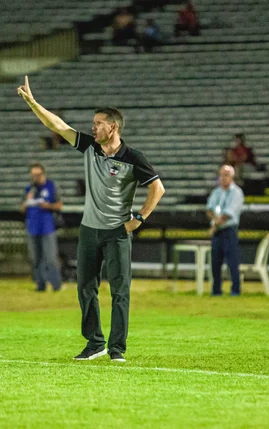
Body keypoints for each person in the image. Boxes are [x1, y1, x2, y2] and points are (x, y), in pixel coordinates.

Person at [17, 76, 165, 362]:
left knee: (120, 292)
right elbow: (56, 125)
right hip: (89, 231)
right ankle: (95, 343)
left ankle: (117, 349)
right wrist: (34, 104)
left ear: (113, 126)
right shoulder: (89, 147)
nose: (93, 127)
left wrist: (140, 219)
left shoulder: (134, 157)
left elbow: (158, 188)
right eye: (93, 123)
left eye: (98, 123)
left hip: (117, 232)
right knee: (85, 288)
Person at [20, 162, 64, 292]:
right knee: (35, 258)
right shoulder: (29, 189)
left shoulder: (51, 186)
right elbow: (21, 209)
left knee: (50, 257)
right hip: (32, 227)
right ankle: (40, 284)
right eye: (33, 175)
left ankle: (56, 285)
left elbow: (59, 205)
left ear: (43, 174)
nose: (35, 178)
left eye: (38, 175)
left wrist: (48, 206)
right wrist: (27, 202)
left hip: (47, 227)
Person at [206, 165, 245, 296]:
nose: (223, 178)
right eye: (221, 175)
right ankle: (216, 290)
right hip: (218, 232)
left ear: (232, 177)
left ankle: (235, 290)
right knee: (215, 262)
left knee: (232, 261)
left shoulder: (237, 192)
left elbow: (230, 212)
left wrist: (216, 223)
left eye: (226, 175)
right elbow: (210, 208)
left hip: (229, 230)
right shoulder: (216, 192)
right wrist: (216, 222)